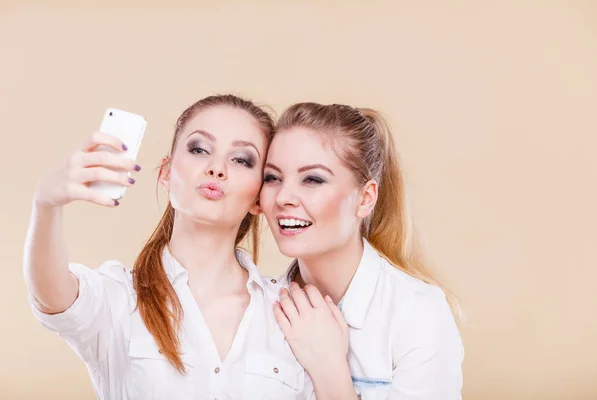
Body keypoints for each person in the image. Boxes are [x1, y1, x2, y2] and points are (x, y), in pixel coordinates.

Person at [24, 95, 308, 399]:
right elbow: (52, 296)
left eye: (241, 159)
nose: (216, 168)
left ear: (258, 198)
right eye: (199, 149)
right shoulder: (120, 297)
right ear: (166, 174)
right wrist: (46, 204)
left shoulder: (292, 313)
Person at [260, 102, 464, 399]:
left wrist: (329, 370)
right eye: (272, 178)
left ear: (365, 198)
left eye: (313, 179)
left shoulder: (417, 314)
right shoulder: (258, 306)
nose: (283, 197)